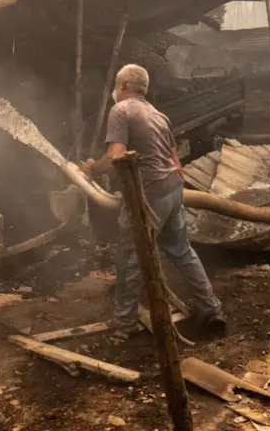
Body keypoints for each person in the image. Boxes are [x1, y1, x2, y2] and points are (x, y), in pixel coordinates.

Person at [82, 64, 227, 339]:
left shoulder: (121, 110)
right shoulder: (160, 116)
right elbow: (175, 162)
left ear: (123, 86)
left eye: (116, 86)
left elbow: (116, 157)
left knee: (130, 256)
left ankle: (124, 324)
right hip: (173, 190)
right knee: (182, 251)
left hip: (149, 194)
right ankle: (211, 309)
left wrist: (93, 168)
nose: (115, 91)